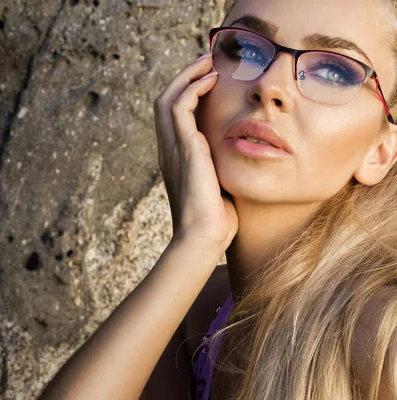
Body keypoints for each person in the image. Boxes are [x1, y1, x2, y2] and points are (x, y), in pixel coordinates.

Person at [37, 0, 397, 398]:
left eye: (332, 71)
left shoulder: (384, 338)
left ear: (381, 151)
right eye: (246, 49)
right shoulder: (203, 308)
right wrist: (194, 244)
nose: (269, 87)